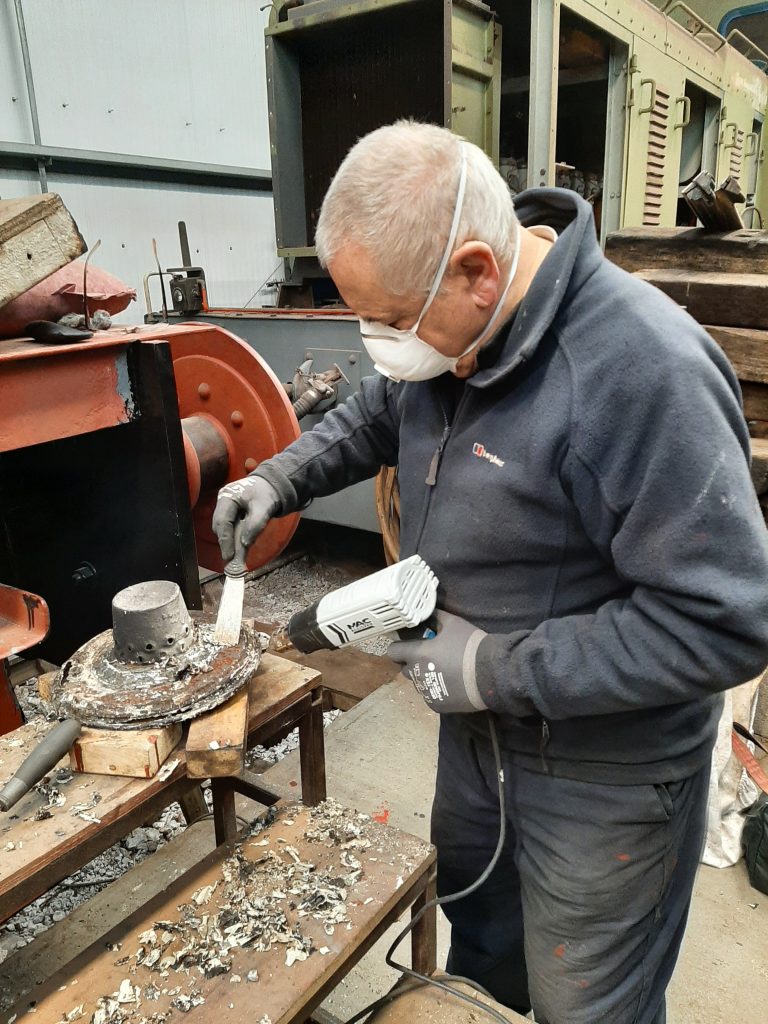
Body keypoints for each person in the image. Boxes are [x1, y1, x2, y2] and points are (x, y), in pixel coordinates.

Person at [212, 121, 768, 1024]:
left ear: (477, 271)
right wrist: (279, 477)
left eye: (388, 322)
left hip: (603, 782)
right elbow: (381, 409)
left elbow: (723, 621)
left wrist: (492, 669)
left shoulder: (642, 372)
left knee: (588, 1006)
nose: (381, 344)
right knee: (483, 971)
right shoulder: (450, 330)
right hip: (476, 748)